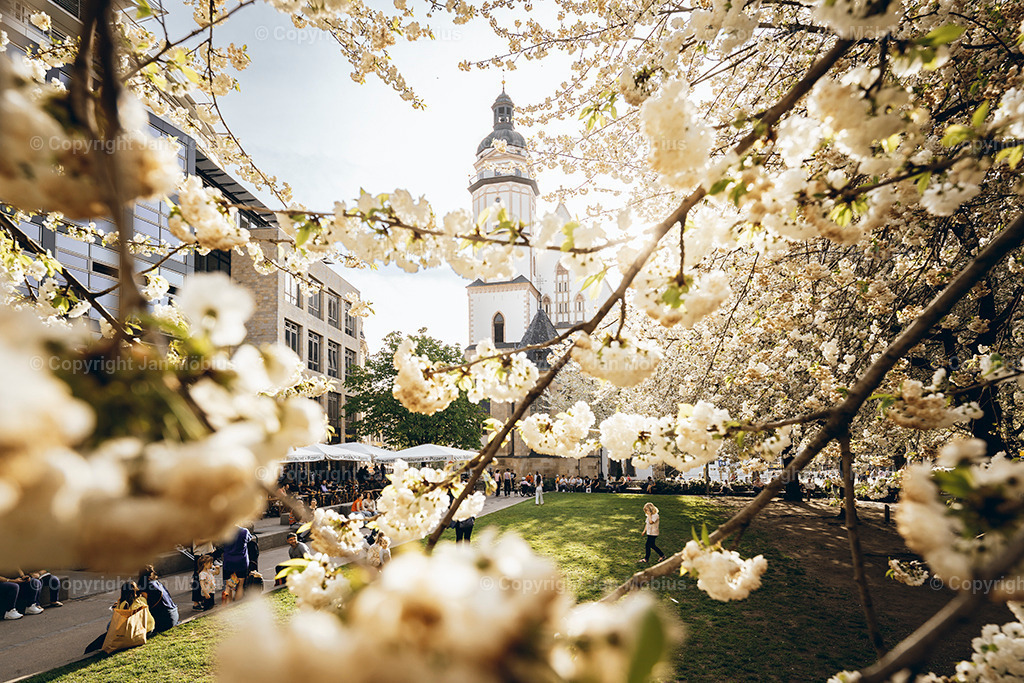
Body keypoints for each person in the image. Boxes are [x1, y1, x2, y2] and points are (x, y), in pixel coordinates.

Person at [137, 565, 178, 633]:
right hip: (174, 615)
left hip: (165, 620)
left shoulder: (145, 586)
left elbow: (144, 604)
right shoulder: (157, 583)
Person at [221, 525, 254, 592]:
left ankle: (228, 598)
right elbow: (249, 539)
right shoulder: (244, 531)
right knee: (240, 585)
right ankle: (238, 599)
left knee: (228, 585)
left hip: (228, 561)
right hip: (241, 561)